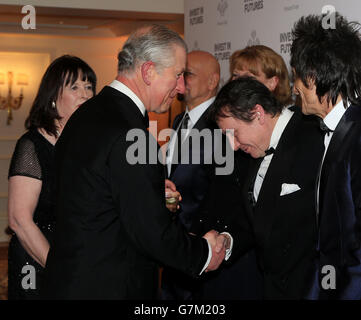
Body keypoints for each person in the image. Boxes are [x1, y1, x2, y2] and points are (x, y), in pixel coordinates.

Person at [42, 24, 229, 300]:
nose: (180, 88)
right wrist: (203, 253)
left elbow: (95, 195)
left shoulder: (87, 114)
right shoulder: (130, 133)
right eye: (177, 75)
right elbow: (150, 232)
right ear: (148, 71)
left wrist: (149, 190)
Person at [208, 76, 324, 299]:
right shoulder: (255, 149)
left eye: (234, 134)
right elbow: (259, 219)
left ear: (258, 114)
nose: (233, 146)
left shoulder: (314, 136)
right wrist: (228, 240)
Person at [7, 55, 97, 300]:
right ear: (53, 96)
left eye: (89, 86)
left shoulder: (90, 146)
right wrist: (61, 269)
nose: (85, 94)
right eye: (75, 87)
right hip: (37, 259)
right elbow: (19, 220)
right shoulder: (32, 146)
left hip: (80, 257)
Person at [290, 13, 361, 299]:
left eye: (295, 76)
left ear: (313, 77)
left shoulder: (357, 137)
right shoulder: (335, 130)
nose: (293, 87)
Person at [161, 50, 225, 300]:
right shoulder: (178, 121)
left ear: (212, 82)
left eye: (188, 74)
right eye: (179, 74)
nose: (180, 81)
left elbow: (222, 192)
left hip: (202, 252)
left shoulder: (222, 126)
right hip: (172, 248)